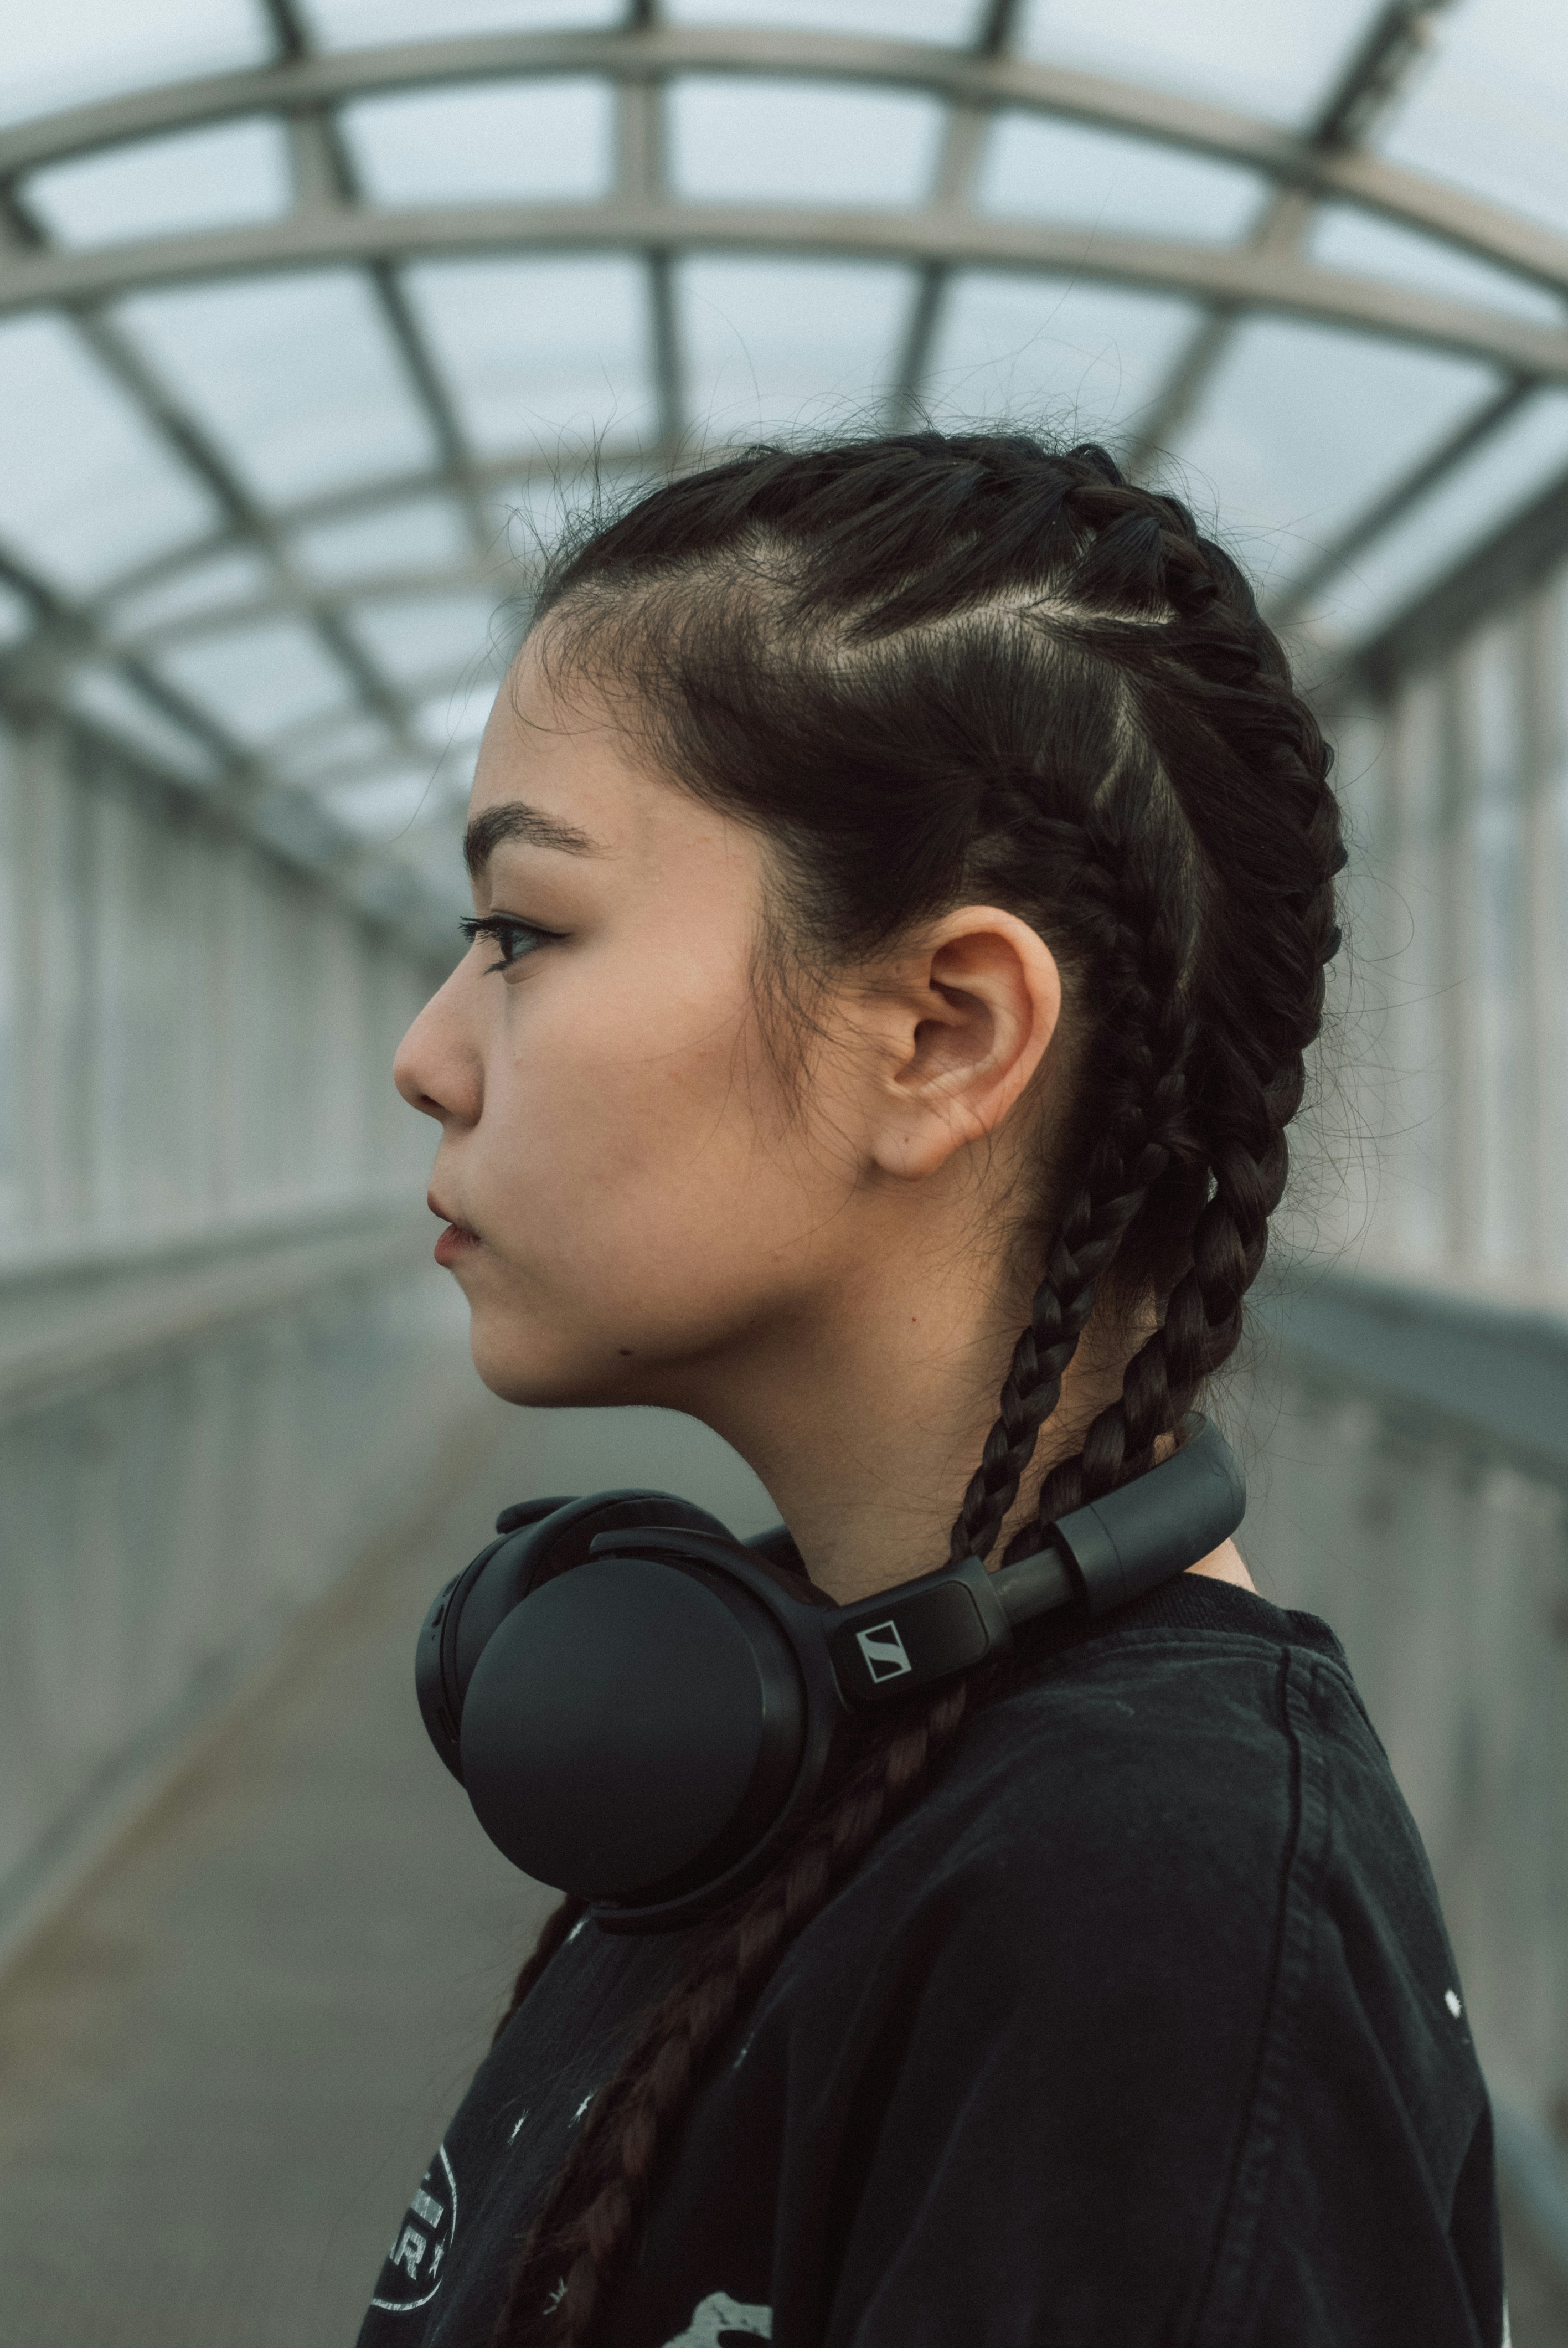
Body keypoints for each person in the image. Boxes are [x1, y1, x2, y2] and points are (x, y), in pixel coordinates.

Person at [372, 433, 1503, 2348]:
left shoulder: (1158, 1934)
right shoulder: (838, 1723)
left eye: (522, 935)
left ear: (942, 1034)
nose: (428, 1054)